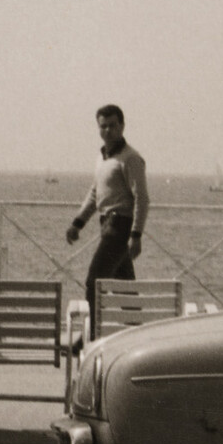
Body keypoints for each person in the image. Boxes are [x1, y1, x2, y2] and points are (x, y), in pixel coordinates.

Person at [65, 104, 148, 325]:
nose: (108, 130)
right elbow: (95, 193)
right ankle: (136, 333)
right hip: (106, 225)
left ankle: (91, 337)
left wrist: (136, 235)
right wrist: (78, 223)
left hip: (119, 226)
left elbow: (141, 198)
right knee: (125, 289)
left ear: (122, 126)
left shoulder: (130, 158)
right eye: (103, 126)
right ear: (98, 129)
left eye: (113, 125)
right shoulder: (102, 158)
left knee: (94, 283)